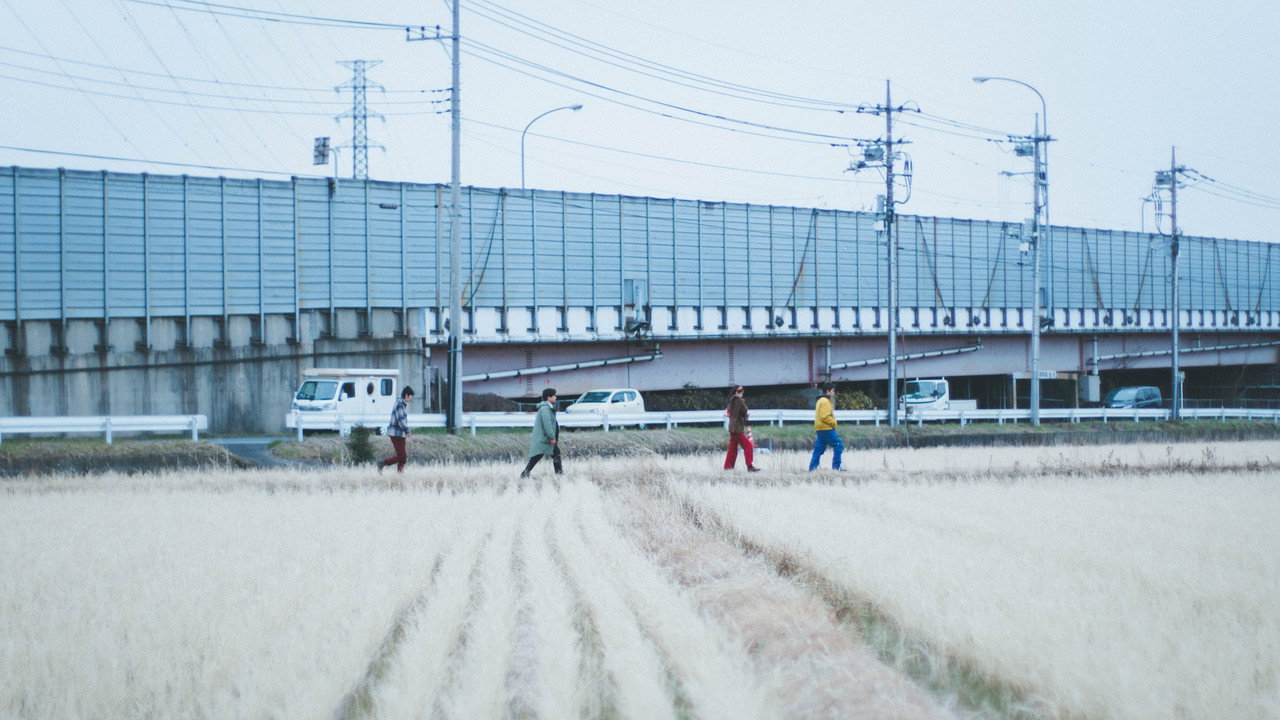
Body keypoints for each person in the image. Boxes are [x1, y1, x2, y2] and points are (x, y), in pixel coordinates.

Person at [520, 387, 563, 477]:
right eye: (554, 395)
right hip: (545, 439)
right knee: (552, 454)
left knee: (540, 456)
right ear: (549, 397)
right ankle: (559, 474)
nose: (556, 397)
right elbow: (547, 424)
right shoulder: (545, 409)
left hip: (544, 438)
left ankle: (525, 473)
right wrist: (552, 437)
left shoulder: (547, 408)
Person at [377, 386, 414, 473]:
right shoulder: (400, 404)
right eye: (411, 396)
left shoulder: (400, 403)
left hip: (399, 433)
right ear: (406, 395)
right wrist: (407, 431)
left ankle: (400, 474)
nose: (411, 399)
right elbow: (400, 419)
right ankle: (382, 463)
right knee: (402, 457)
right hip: (396, 433)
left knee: (402, 457)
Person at [809, 381, 844, 471]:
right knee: (839, 444)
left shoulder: (820, 400)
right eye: (832, 390)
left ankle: (813, 468)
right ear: (828, 391)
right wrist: (834, 422)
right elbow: (824, 416)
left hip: (819, 428)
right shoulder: (825, 401)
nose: (833, 392)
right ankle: (837, 467)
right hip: (826, 428)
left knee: (818, 449)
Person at [724, 385, 760, 471]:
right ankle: (749, 466)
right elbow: (745, 410)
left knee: (732, 448)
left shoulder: (731, 401)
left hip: (732, 427)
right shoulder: (739, 401)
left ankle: (728, 466)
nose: (741, 393)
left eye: (741, 391)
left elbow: (734, 413)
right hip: (737, 428)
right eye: (739, 391)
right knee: (748, 445)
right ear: (735, 392)